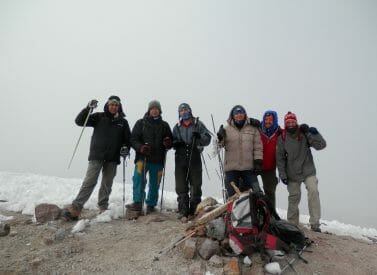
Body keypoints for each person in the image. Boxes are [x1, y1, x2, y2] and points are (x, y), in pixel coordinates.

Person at [63, 96, 131, 220]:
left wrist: (125, 148)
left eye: (116, 105)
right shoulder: (99, 117)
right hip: (96, 156)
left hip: (112, 158)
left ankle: (103, 207)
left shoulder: (123, 122)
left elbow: (127, 139)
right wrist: (88, 108)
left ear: (119, 107)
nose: (114, 107)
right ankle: (76, 207)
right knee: (90, 181)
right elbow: (79, 121)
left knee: (107, 183)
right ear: (107, 105)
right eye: (111, 104)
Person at [276, 111, 326, 232]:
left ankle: (315, 224)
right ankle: (292, 225)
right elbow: (280, 158)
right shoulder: (282, 138)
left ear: (296, 122)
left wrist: (314, 133)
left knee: (313, 191)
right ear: (285, 123)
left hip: (308, 170)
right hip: (292, 172)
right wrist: (282, 175)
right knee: (294, 196)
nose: (291, 124)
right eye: (288, 122)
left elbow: (321, 145)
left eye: (293, 121)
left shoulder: (304, 133)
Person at [126, 100, 173, 215]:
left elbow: (170, 141)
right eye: (152, 108)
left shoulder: (165, 125)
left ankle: (151, 205)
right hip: (143, 158)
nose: (154, 110)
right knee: (138, 179)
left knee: (155, 183)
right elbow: (133, 139)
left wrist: (168, 143)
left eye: (157, 108)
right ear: (149, 110)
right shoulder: (141, 123)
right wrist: (141, 147)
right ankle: (137, 203)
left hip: (158, 160)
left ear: (159, 110)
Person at [172, 103, 211, 221]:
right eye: (181, 110)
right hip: (180, 158)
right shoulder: (177, 127)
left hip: (195, 158)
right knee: (181, 185)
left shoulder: (198, 124)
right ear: (179, 113)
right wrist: (175, 144)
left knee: (196, 184)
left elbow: (207, 138)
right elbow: (172, 141)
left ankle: (194, 210)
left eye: (186, 109)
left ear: (190, 111)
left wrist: (199, 137)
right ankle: (183, 210)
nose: (184, 112)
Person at [217, 105, 263, 199]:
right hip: (231, 169)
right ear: (232, 116)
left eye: (241, 113)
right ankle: (231, 213)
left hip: (249, 168)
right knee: (231, 196)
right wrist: (219, 138)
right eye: (236, 113)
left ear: (245, 114)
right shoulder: (226, 129)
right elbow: (219, 146)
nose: (239, 115)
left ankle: (258, 213)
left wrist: (258, 162)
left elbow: (258, 146)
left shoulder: (252, 129)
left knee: (257, 193)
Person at [258, 110, 281, 209]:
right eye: (266, 119)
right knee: (247, 187)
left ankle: (271, 215)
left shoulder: (279, 133)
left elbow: (292, 130)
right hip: (255, 164)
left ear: (275, 120)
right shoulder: (257, 130)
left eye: (271, 119)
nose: (268, 121)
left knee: (270, 191)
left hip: (270, 167)